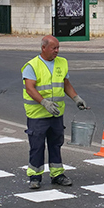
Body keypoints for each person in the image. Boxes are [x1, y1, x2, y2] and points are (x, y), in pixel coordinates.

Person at [22, 34, 88, 189]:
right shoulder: (32, 66)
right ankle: (35, 176)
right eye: (54, 48)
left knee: (56, 144)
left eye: (58, 47)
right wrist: (43, 102)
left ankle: (57, 174)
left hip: (56, 114)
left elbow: (66, 84)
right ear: (43, 48)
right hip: (37, 115)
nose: (57, 51)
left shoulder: (62, 62)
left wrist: (76, 98)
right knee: (37, 146)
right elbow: (30, 88)